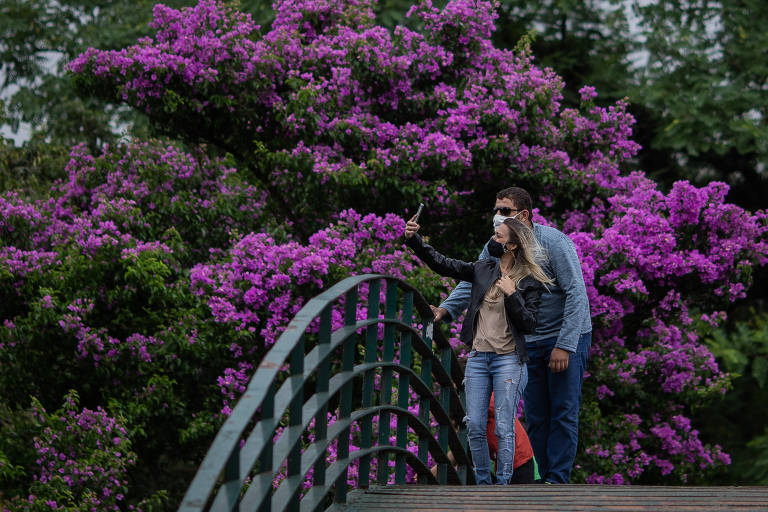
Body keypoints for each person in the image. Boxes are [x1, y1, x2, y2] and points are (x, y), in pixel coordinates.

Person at [433, 187, 592, 484]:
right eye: (496, 209)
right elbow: (474, 281)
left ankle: (556, 482)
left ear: (523, 215)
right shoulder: (496, 245)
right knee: (536, 415)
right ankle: (542, 480)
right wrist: (444, 310)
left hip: (565, 336)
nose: (498, 217)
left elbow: (576, 294)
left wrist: (565, 345)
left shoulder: (554, 243)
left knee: (563, 412)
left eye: (504, 211)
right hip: (528, 339)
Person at [404, 214, 552, 485]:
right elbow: (444, 265)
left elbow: (529, 324)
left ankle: (502, 486)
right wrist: (414, 241)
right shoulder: (483, 268)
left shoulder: (530, 280)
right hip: (479, 357)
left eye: (498, 237)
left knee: (505, 426)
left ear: (512, 245)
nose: (492, 240)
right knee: (473, 426)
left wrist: (512, 294)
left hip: (508, 359)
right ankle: (484, 485)